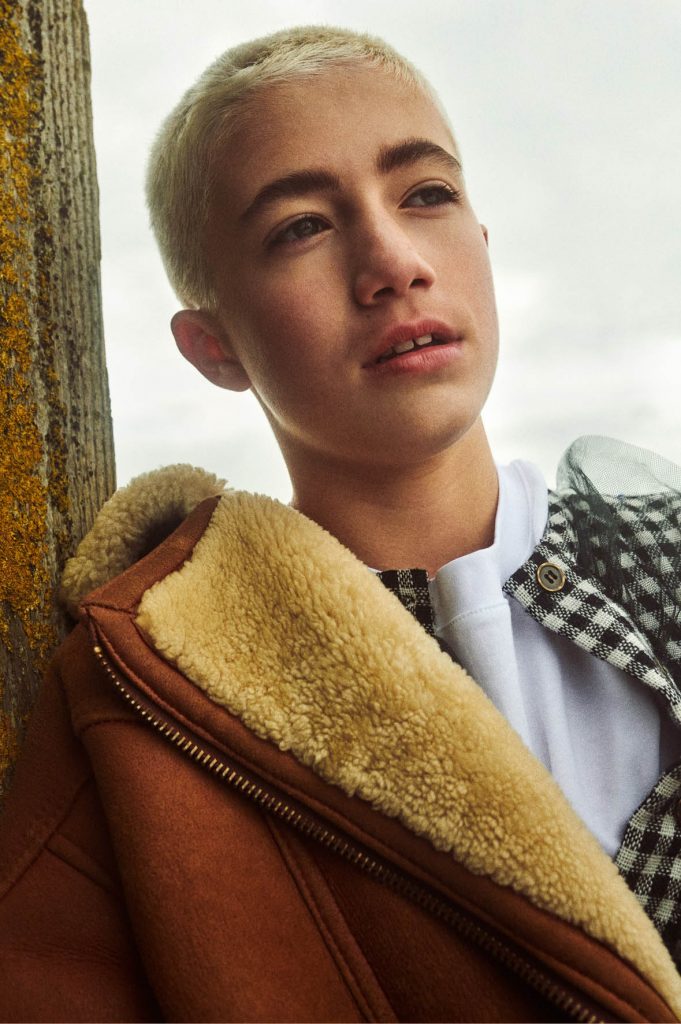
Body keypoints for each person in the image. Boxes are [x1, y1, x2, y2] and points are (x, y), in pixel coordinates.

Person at [1, 23, 680, 1023]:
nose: (393, 262)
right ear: (214, 346)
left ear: (482, 245)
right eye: (301, 228)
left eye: (426, 194)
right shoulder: (150, 701)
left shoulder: (662, 560)